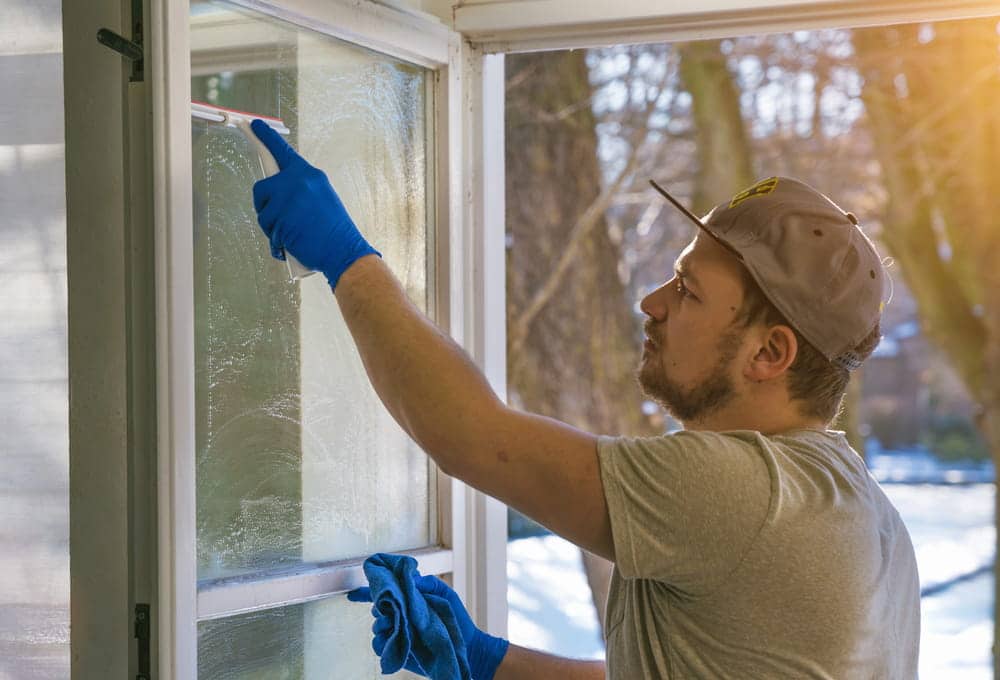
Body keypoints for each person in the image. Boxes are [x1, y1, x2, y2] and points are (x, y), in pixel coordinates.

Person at [247, 119, 920, 679]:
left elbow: (472, 438)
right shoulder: (863, 510)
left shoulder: (746, 493)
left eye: (687, 291)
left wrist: (344, 256)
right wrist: (486, 660)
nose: (650, 303)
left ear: (770, 354)